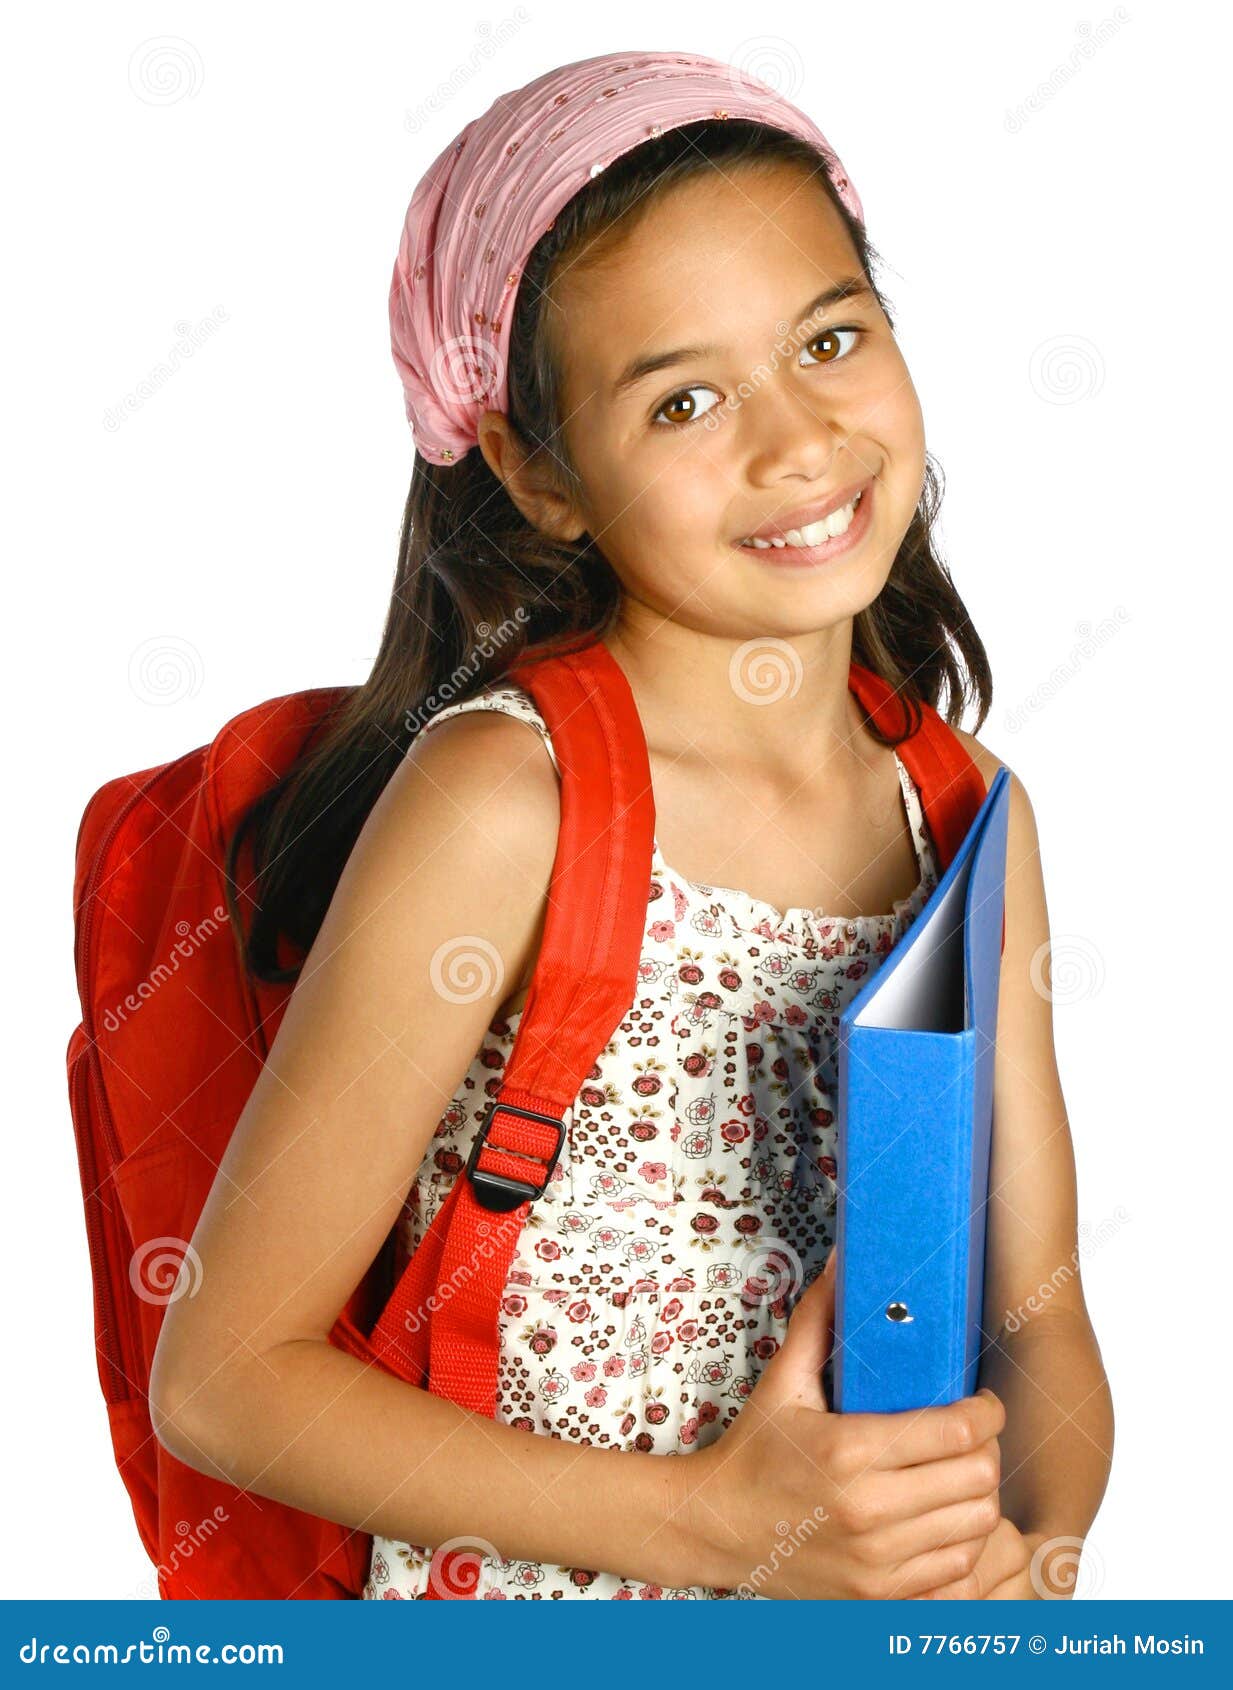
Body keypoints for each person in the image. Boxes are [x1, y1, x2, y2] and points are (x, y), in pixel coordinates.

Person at [148, 49, 1112, 1601]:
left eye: (829, 337)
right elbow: (224, 1375)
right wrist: (728, 1528)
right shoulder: (503, 798)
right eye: (681, 398)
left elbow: (1036, 1316)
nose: (796, 442)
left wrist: (1022, 1569)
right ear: (537, 473)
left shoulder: (962, 811)